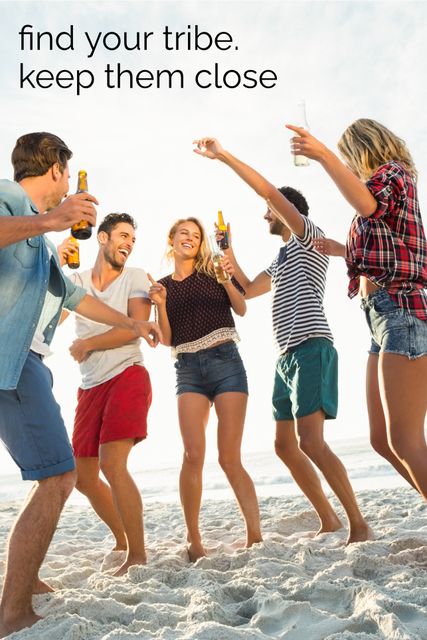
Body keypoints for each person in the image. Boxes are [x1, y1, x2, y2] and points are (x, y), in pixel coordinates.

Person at [0, 132, 161, 638]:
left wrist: (133, 325)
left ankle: (23, 584)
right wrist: (53, 218)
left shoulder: (42, 244)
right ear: (54, 170)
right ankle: (13, 613)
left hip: (29, 364)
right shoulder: (8, 196)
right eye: (67, 174)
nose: (70, 184)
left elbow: (75, 297)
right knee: (59, 477)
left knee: (56, 476)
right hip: (13, 359)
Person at [193, 137, 371, 544]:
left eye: (267, 212)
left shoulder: (309, 236)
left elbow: (269, 191)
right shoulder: (282, 257)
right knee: (284, 446)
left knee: (311, 441)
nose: (264, 216)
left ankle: (359, 523)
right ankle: (329, 519)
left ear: (284, 212)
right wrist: (229, 251)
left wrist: (223, 156)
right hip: (285, 357)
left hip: (312, 345)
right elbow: (251, 288)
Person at [286, 118, 427, 496]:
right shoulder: (387, 184)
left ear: (361, 148)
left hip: (401, 312)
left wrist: (323, 157)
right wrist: (340, 249)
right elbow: (394, 250)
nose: (348, 164)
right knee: (382, 441)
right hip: (379, 318)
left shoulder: (394, 175)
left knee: (406, 441)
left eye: (348, 156)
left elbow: (369, 206)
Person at [148, 217, 262, 562]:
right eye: (184, 233)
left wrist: (227, 278)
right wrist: (161, 304)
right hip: (188, 369)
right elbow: (166, 339)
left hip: (226, 361)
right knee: (192, 455)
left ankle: (255, 536)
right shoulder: (163, 286)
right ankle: (194, 539)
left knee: (229, 457)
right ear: (172, 240)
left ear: (201, 245)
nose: (190, 239)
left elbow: (241, 308)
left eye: (196, 236)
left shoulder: (214, 273)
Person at [58, 213, 152, 576]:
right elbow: (51, 318)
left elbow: (135, 329)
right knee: (83, 476)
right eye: (123, 236)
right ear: (102, 238)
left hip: (128, 373)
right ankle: (123, 538)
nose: (128, 243)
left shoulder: (137, 277)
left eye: (133, 238)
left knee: (113, 465)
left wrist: (89, 343)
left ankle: (138, 555)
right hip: (90, 386)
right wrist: (56, 267)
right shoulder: (77, 281)